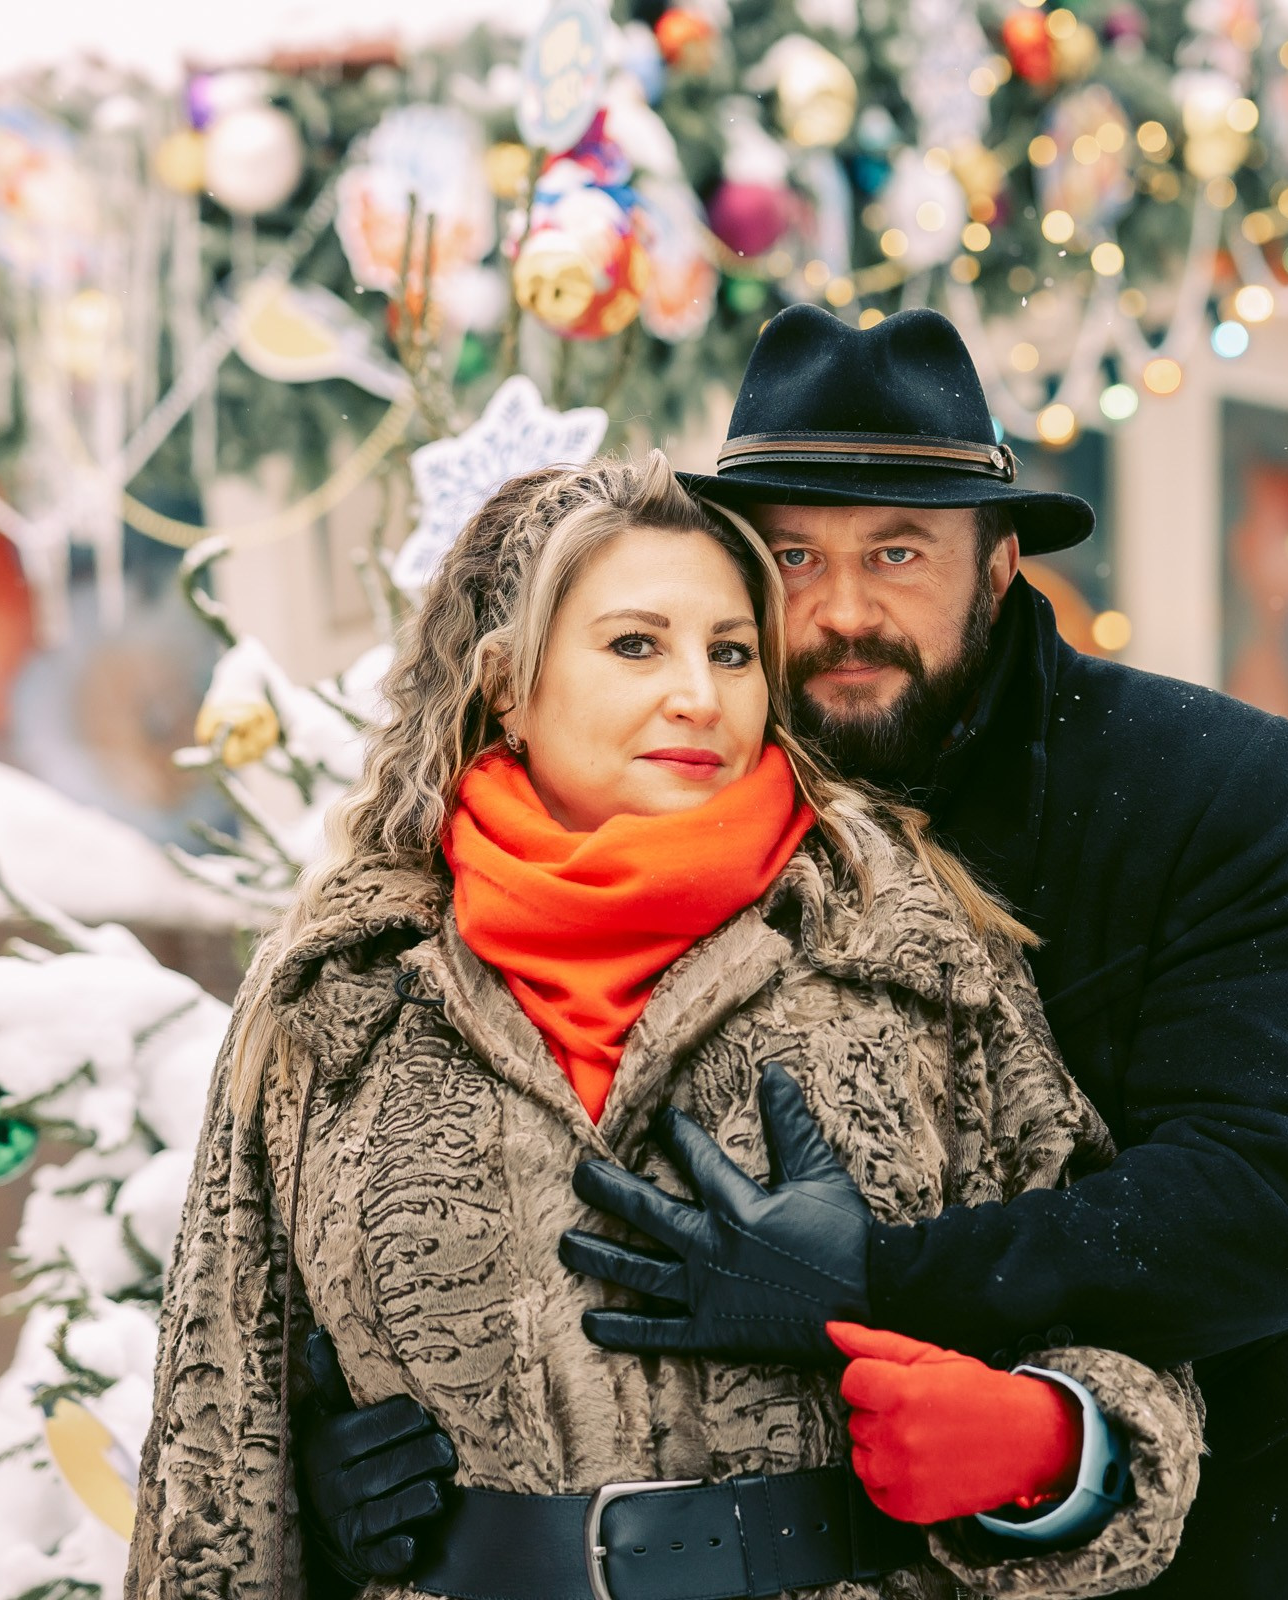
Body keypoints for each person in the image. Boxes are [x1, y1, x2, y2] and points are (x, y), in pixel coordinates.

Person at [302, 308, 1288, 1597]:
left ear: (999, 564)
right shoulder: (682, 789)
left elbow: (1264, 1201)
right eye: (794, 557)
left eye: (898, 552)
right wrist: (350, 1442)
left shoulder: (1204, 782)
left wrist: (879, 1282)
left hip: (1232, 1521)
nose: (842, 611)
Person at [126, 456, 1205, 1600]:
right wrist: (315, 1490)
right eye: (637, 644)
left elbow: (1117, 1326)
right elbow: (213, 1437)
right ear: (507, 683)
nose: (699, 694)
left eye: (732, 652)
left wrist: (1050, 1446)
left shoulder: (905, 953)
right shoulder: (342, 990)